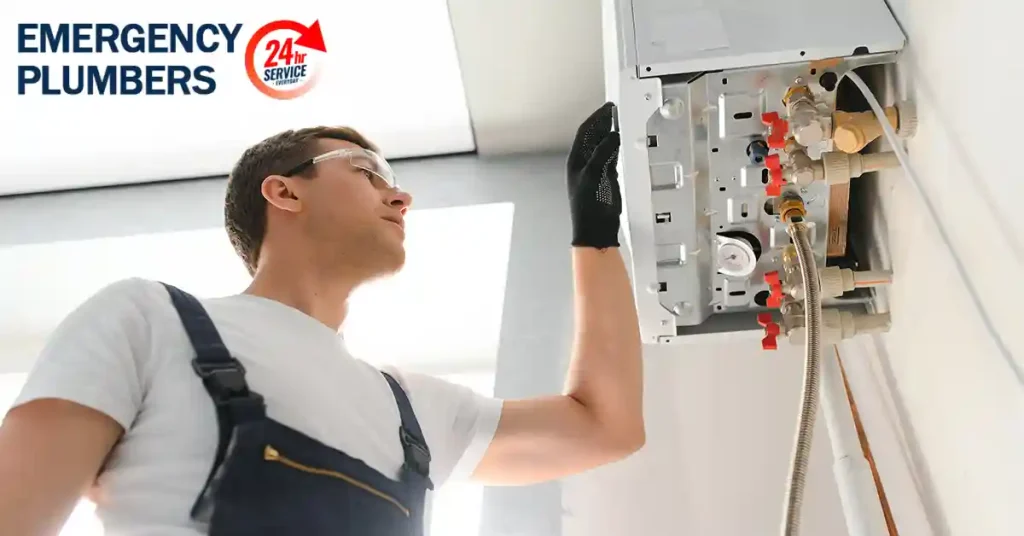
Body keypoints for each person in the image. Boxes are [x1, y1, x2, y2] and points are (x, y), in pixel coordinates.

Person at [0, 101, 642, 535]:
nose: (401, 194)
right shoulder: (146, 319)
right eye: (367, 173)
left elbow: (604, 426)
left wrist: (595, 236)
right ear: (283, 191)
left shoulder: (411, 410)